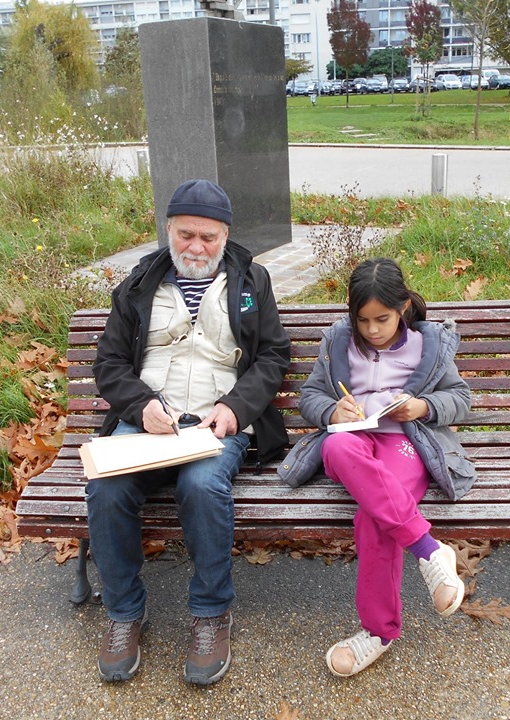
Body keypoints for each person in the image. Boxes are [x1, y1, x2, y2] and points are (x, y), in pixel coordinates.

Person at [88, 179, 290, 685]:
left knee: (202, 486)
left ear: (225, 236)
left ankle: (211, 614)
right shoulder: (138, 285)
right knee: (106, 489)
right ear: (169, 230)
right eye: (186, 235)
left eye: (208, 236)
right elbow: (110, 363)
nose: (196, 247)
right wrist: (140, 405)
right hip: (147, 423)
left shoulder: (253, 281)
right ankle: (124, 613)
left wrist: (235, 409)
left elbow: (272, 356)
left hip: (215, 424)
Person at [278, 258, 476, 677]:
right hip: (353, 443)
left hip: (404, 443)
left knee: (375, 516)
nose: (371, 330)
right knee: (337, 446)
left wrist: (422, 406)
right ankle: (429, 550)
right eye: (362, 320)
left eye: (382, 319)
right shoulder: (338, 341)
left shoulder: (427, 345)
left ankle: (378, 633)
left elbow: (460, 398)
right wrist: (333, 411)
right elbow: (310, 396)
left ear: (402, 307)